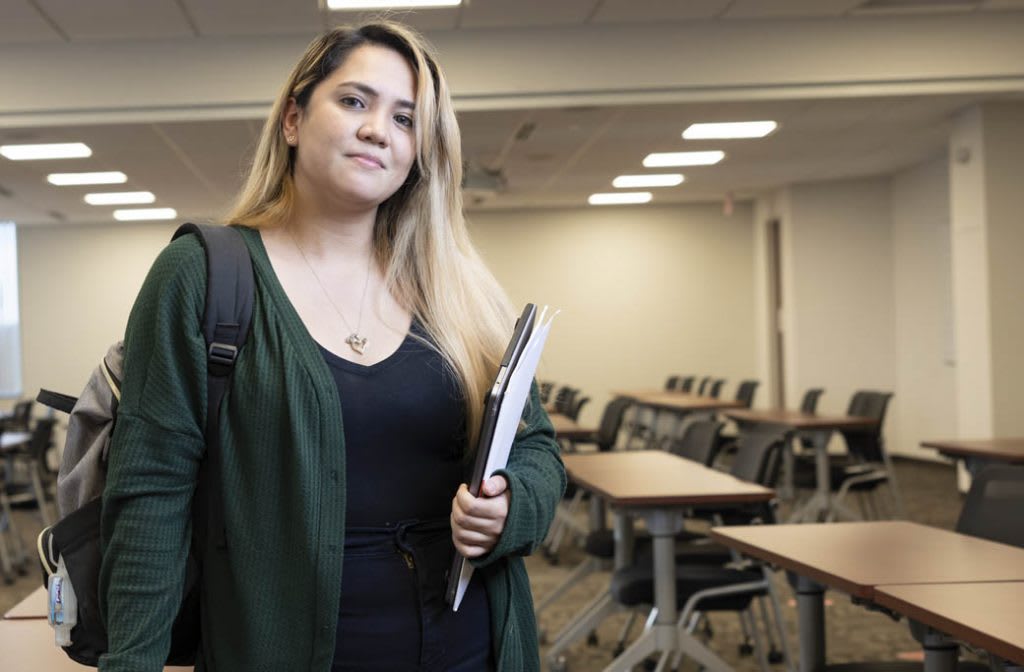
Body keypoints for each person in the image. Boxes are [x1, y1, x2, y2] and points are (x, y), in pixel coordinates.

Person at [98, 21, 565, 672]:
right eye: (354, 102)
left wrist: (512, 505)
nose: (379, 129)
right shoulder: (203, 276)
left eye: (406, 119)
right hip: (286, 649)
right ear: (293, 118)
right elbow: (150, 496)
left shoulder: (455, 289)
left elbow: (538, 448)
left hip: (470, 645)